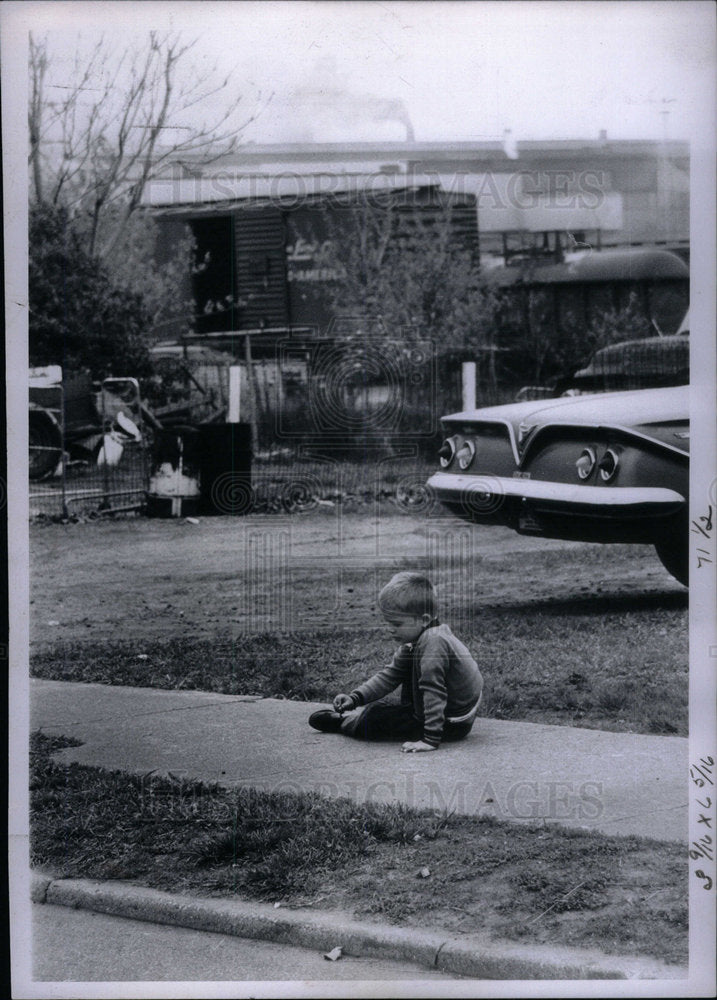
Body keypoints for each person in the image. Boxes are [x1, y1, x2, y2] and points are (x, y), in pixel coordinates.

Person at [308, 571, 483, 753]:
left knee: (375, 717)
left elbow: (434, 691)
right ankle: (362, 715)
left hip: (452, 724)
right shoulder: (419, 639)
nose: (390, 629)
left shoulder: (434, 643)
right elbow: (389, 676)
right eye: (388, 622)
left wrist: (429, 740)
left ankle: (343, 723)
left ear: (423, 620)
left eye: (397, 624)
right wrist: (355, 698)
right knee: (386, 706)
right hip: (452, 713)